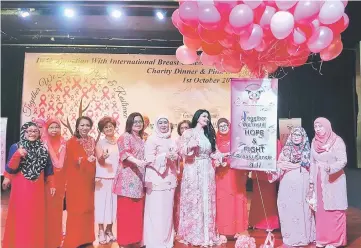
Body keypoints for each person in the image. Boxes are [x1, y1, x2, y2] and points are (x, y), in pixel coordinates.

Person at [177, 109, 227, 246]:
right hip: (193, 168)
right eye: (204, 116)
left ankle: (208, 234)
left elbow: (214, 152)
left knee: (207, 200)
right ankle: (193, 234)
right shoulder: (188, 132)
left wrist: (222, 156)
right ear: (197, 117)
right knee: (194, 200)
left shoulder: (209, 134)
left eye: (208, 117)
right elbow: (180, 150)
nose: (207, 118)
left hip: (207, 170)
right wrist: (189, 146)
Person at [2, 122, 55, 248]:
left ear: (39, 133)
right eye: (29, 131)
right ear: (24, 133)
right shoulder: (16, 147)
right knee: (21, 216)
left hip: (37, 188)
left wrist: (52, 184)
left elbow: (48, 168)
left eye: (35, 131)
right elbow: (10, 167)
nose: (32, 133)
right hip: (21, 187)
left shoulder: (43, 148)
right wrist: (17, 154)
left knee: (35, 218)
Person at [269, 127, 315, 246]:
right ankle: (290, 237)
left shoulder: (307, 151)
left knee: (302, 210)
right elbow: (279, 166)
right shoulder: (286, 150)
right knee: (287, 208)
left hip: (302, 185)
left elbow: (311, 167)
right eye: (294, 134)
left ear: (303, 137)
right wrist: (271, 170)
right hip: (287, 185)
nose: (296, 137)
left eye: (298, 135)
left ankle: (303, 237)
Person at [112, 112, 149, 248]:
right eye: (135, 121)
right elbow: (125, 154)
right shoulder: (124, 137)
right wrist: (138, 162)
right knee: (125, 211)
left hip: (139, 178)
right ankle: (124, 241)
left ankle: (135, 239)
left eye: (140, 121)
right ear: (129, 123)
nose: (138, 124)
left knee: (136, 211)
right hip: (126, 178)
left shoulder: (141, 138)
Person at [309, 117, 347, 248]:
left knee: (334, 209)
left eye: (320, 126)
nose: (318, 129)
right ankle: (323, 239)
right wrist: (311, 181)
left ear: (327, 126)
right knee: (321, 211)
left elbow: (343, 160)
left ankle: (335, 241)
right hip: (319, 178)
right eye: (316, 126)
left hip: (334, 179)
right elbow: (312, 162)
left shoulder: (337, 141)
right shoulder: (314, 142)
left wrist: (331, 168)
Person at [143, 116, 178, 248]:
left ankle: (167, 240)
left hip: (169, 179)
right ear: (156, 125)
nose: (163, 125)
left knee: (167, 210)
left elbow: (175, 156)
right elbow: (148, 158)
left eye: (166, 122)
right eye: (161, 123)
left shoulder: (171, 140)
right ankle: (154, 241)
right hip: (156, 179)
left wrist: (176, 157)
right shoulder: (152, 139)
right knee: (156, 210)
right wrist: (164, 157)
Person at [63, 116, 96, 248]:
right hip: (76, 180)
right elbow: (71, 160)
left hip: (89, 180)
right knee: (76, 209)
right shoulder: (71, 142)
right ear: (77, 126)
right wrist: (85, 159)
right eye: (82, 125)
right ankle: (75, 239)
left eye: (87, 125)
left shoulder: (92, 141)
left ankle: (86, 237)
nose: (84, 128)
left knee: (88, 209)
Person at [215, 118, 248, 237]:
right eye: (220, 126)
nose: (223, 127)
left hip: (235, 175)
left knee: (236, 200)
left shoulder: (236, 140)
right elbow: (212, 157)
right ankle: (223, 230)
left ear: (229, 126)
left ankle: (237, 230)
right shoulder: (215, 141)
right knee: (223, 201)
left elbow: (243, 156)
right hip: (222, 176)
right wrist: (218, 161)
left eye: (225, 125)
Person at [42, 118, 67, 248]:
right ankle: (46, 238)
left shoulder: (64, 142)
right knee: (47, 209)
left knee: (58, 210)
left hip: (61, 181)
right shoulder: (43, 143)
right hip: (47, 180)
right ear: (47, 129)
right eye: (51, 127)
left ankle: (57, 239)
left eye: (56, 127)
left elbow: (65, 163)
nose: (54, 130)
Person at [95, 117, 119, 244]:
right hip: (103, 178)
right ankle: (100, 231)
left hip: (116, 178)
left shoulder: (119, 142)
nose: (109, 128)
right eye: (106, 127)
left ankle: (109, 230)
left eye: (110, 126)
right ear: (102, 130)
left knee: (113, 205)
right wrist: (103, 157)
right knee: (101, 205)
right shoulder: (100, 143)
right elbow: (99, 160)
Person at [248, 140, 281, 231]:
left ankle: (270, 224)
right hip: (258, 172)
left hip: (269, 174)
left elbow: (278, 157)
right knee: (257, 198)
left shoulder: (275, 142)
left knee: (269, 199)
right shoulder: (255, 141)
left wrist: (272, 167)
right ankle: (255, 222)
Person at [174, 120, 191, 233]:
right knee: (178, 200)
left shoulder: (195, 140)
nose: (184, 130)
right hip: (180, 173)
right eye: (182, 128)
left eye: (186, 127)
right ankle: (178, 226)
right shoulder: (176, 142)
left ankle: (190, 227)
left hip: (191, 173)